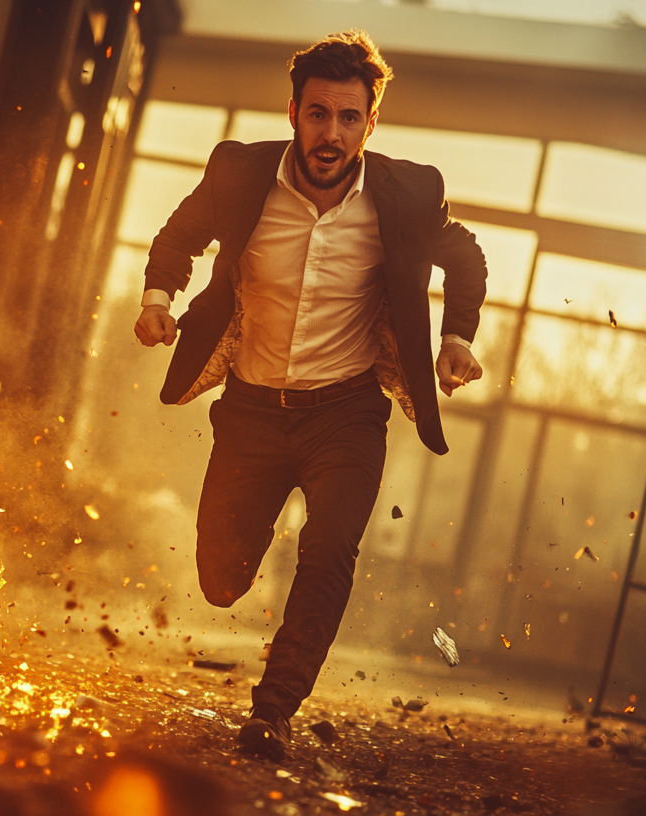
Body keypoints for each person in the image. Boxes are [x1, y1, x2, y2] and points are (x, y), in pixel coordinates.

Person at [133, 30, 488, 760]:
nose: (332, 134)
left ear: (370, 124)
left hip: (347, 415)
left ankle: (274, 712)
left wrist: (456, 338)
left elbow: (465, 256)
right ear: (293, 111)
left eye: (349, 118)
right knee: (222, 579)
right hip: (253, 415)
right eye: (319, 114)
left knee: (329, 554)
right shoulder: (241, 173)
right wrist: (157, 297)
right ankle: (249, 541)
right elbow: (181, 233)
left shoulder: (408, 193)